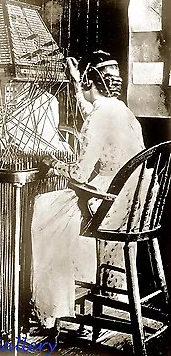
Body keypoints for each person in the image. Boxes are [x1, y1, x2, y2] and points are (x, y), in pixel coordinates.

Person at [31, 51, 146, 335]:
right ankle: (80, 295)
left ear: (89, 82)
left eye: (81, 80)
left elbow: (80, 175)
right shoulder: (120, 109)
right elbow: (90, 111)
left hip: (114, 205)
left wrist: (52, 163)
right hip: (139, 204)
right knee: (65, 210)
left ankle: (54, 310)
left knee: (46, 211)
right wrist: (74, 81)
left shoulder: (101, 115)